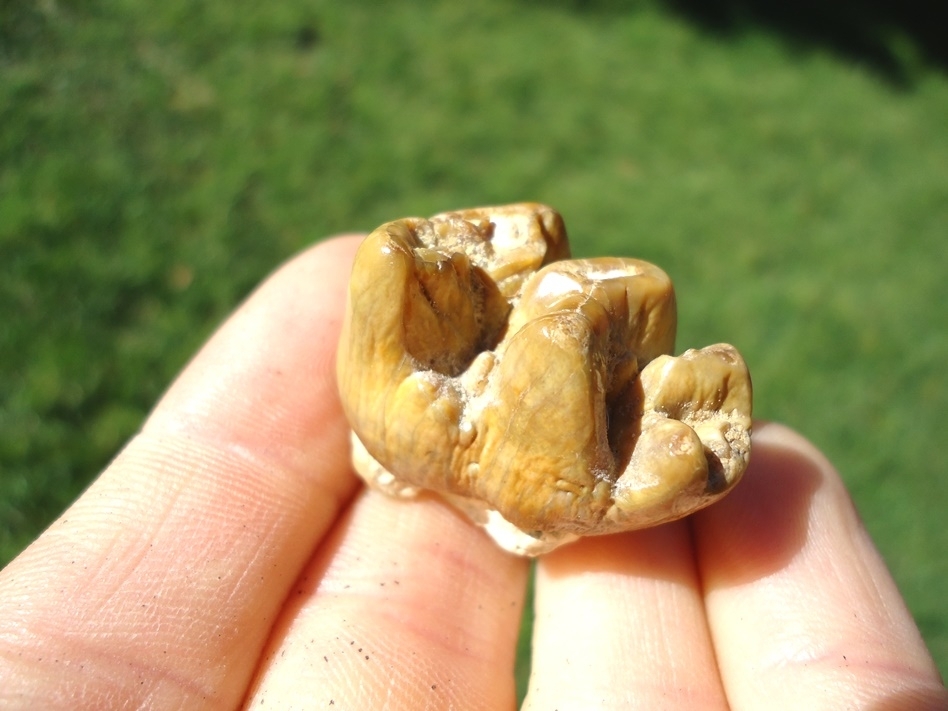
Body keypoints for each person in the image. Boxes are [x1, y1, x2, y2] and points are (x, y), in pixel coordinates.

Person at [0, 235, 944, 710]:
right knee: (534, 294)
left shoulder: (587, 396)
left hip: (483, 452)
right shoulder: (468, 366)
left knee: (559, 304)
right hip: (456, 447)